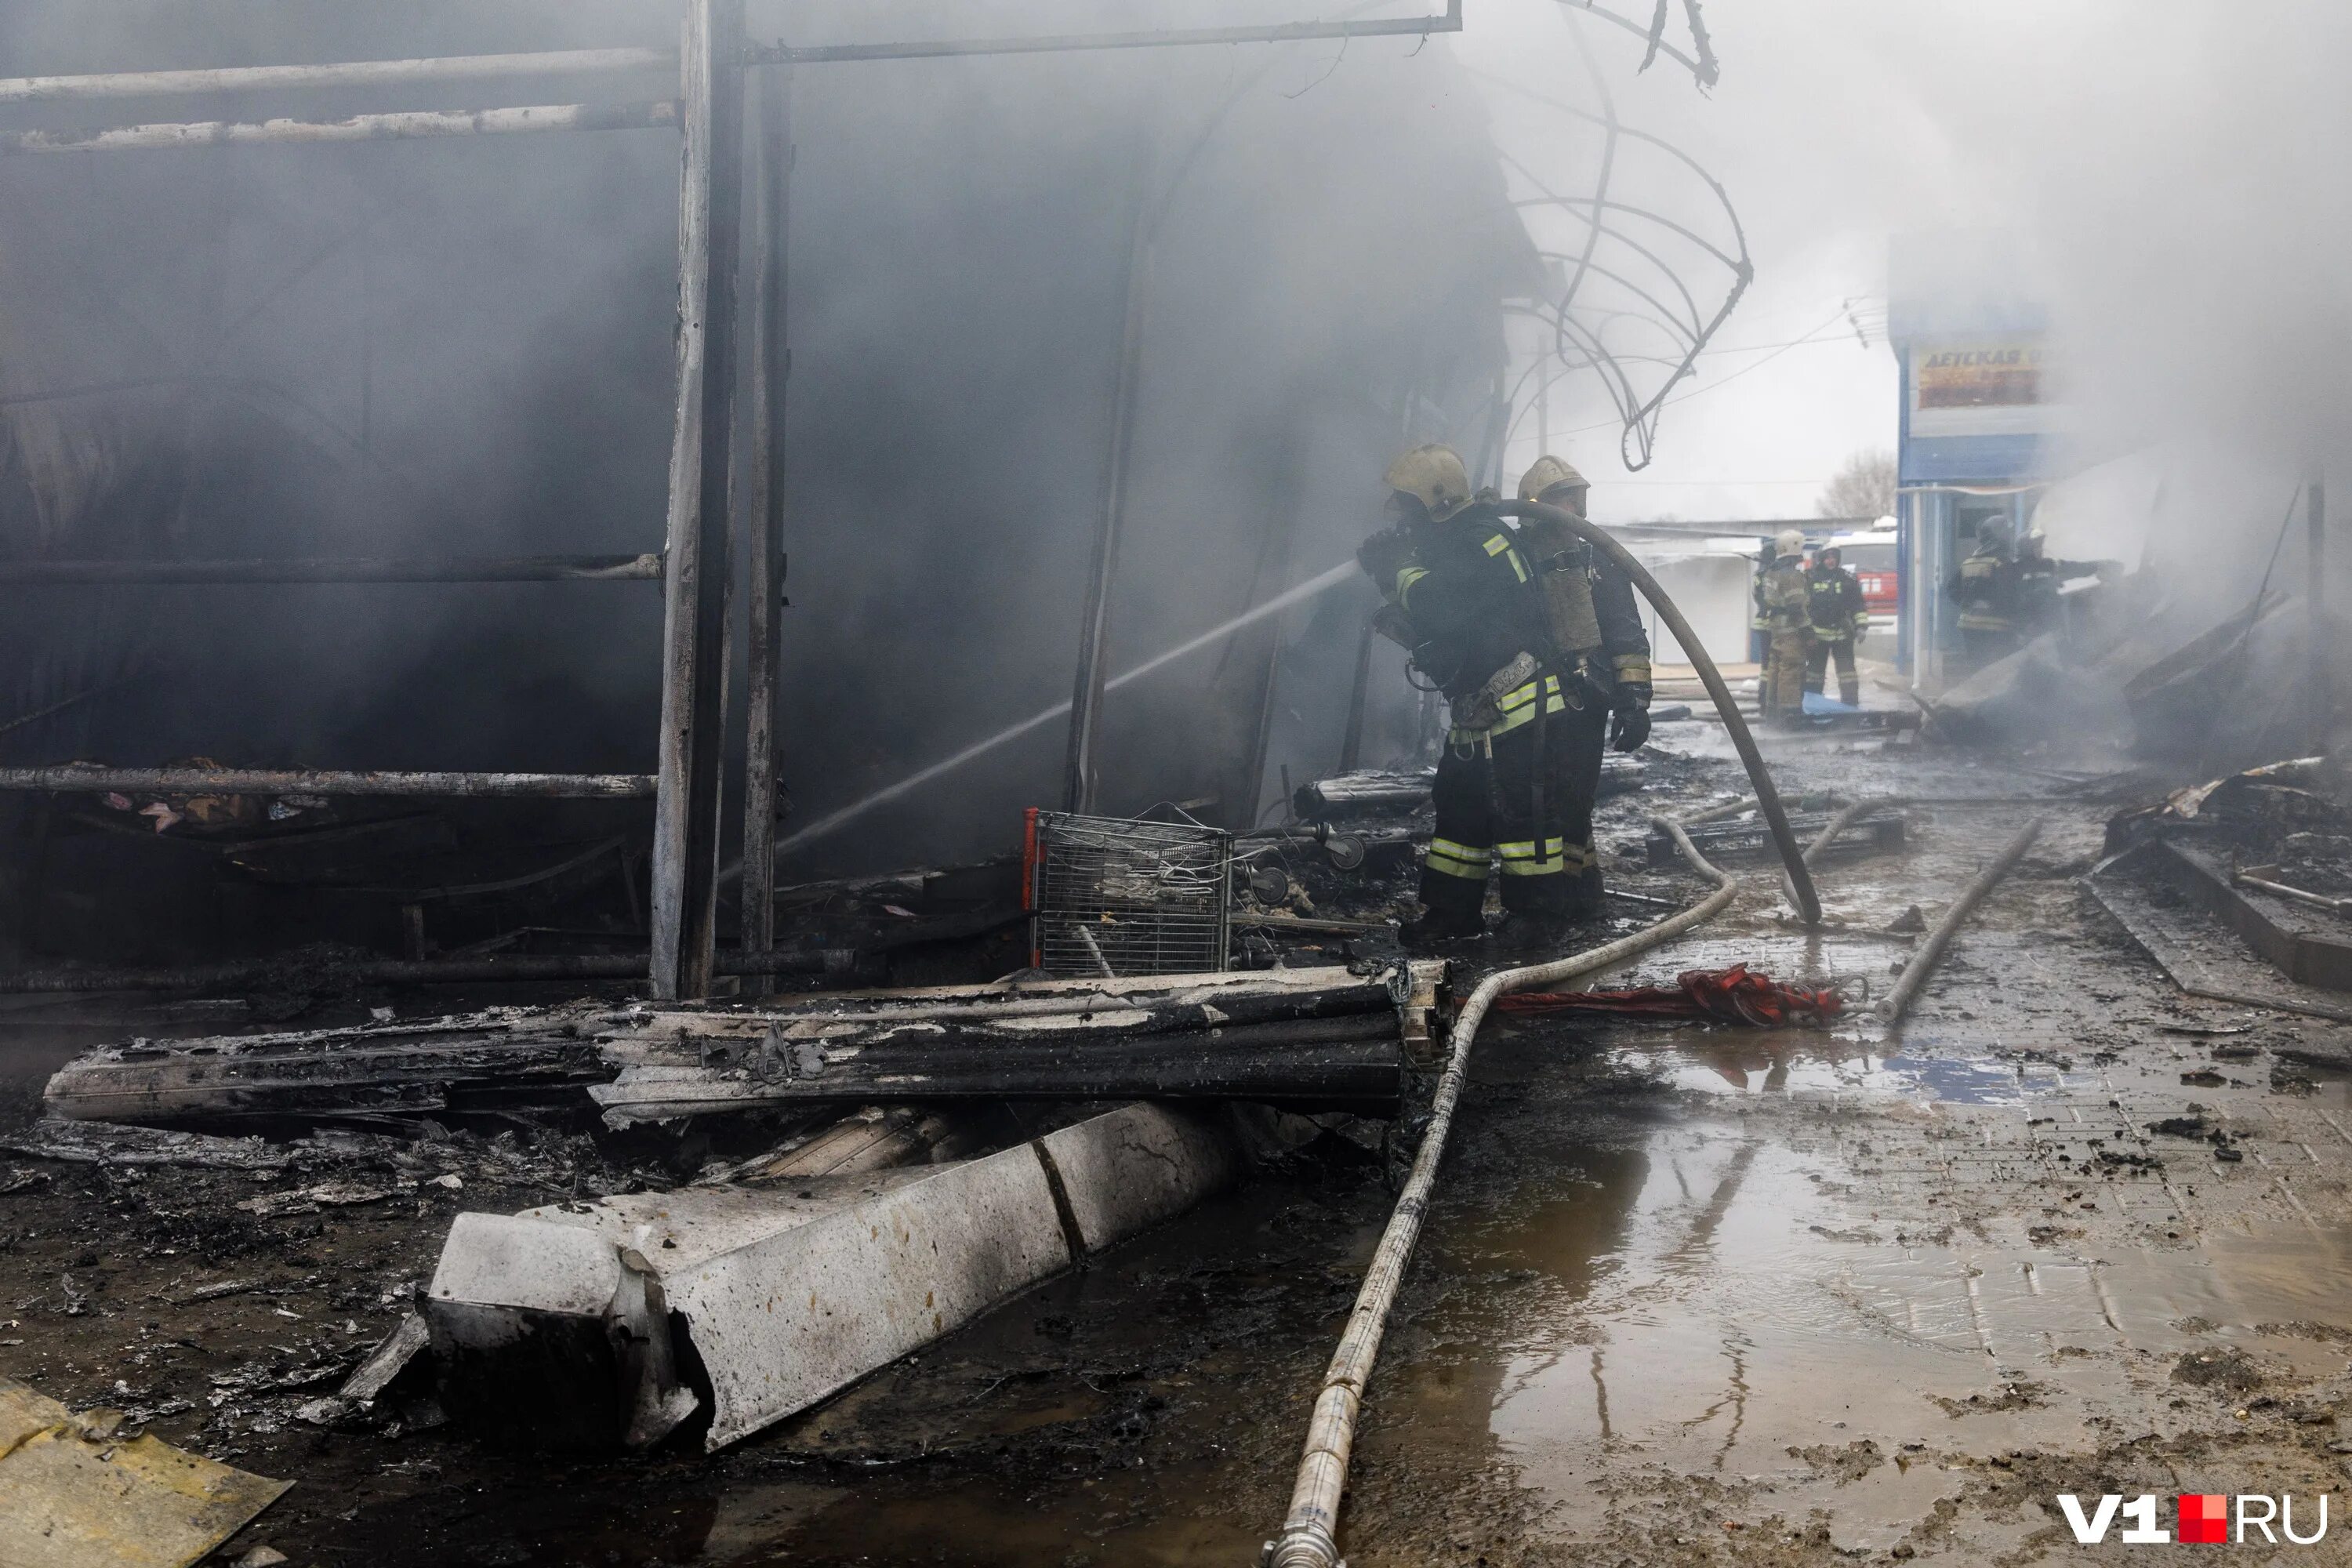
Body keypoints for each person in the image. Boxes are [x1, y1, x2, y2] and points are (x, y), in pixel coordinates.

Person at [1357, 444, 1628, 941]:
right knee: (1460, 806)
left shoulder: (1482, 542)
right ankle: (1451, 914)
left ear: (1432, 499)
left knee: (1527, 816)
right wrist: (1392, 570)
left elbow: (1438, 605)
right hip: (1481, 704)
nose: (1402, 513)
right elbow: (1429, 610)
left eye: (1407, 503)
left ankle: (1539, 917)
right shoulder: (1457, 538)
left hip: (1523, 704)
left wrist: (1395, 568)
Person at [1514, 455, 1653, 914]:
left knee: (1572, 798)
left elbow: (1625, 631)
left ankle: (1573, 894)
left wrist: (1634, 701)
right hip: (1523, 699)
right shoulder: (1513, 556)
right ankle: (1572, 892)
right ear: (1537, 506)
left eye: (1577, 497)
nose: (1574, 507)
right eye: (1563, 498)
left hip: (1583, 697)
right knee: (1537, 801)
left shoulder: (1598, 558)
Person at [1802, 544, 1869, 708]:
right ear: (1821, 559)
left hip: (1842, 633)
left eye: (1834, 558)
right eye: (1827, 558)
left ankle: (1850, 704)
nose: (1831, 561)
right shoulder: (1810, 577)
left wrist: (1861, 626)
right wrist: (1805, 632)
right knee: (1814, 673)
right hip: (1817, 635)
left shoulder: (1848, 578)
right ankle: (1813, 702)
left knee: (1847, 673)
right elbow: (1802, 606)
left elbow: (1858, 604)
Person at [1757, 529, 1811, 723]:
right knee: (1790, 670)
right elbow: (1796, 606)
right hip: (1791, 632)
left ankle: (1772, 714)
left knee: (1775, 670)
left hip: (1776, 631)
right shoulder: (1792, 576)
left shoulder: (1771, 572)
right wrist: (1808, 632)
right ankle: (1790, 716)